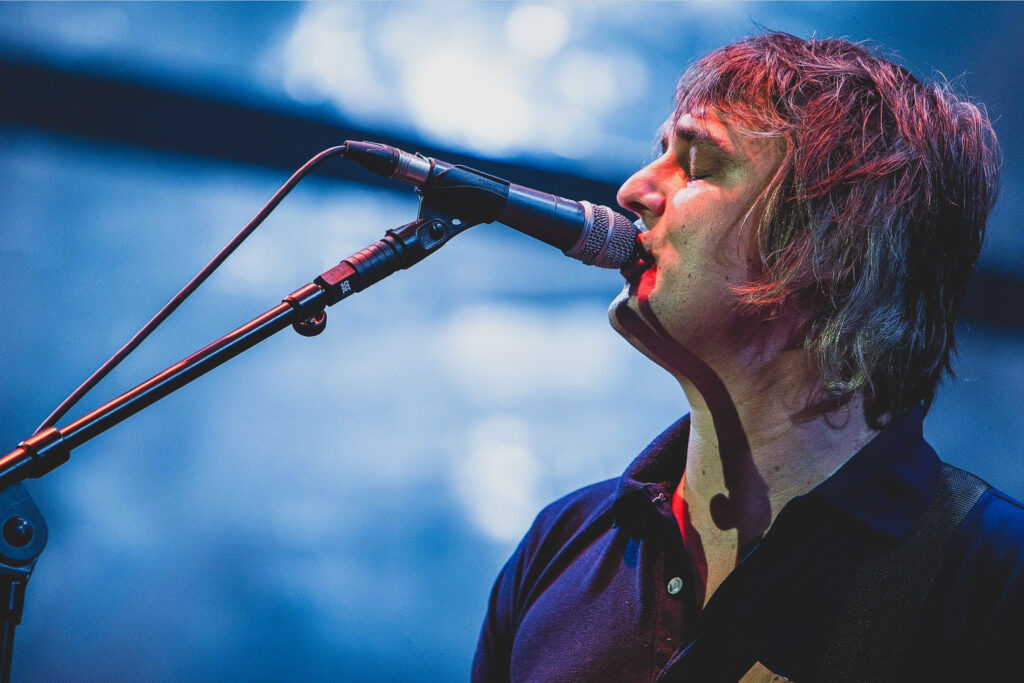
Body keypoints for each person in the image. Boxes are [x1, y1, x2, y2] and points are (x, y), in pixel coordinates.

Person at [471, 32, 1022, 682]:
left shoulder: (994, 578)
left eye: (697, 165)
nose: (632, 190)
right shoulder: (562, 546)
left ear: (833, 243)